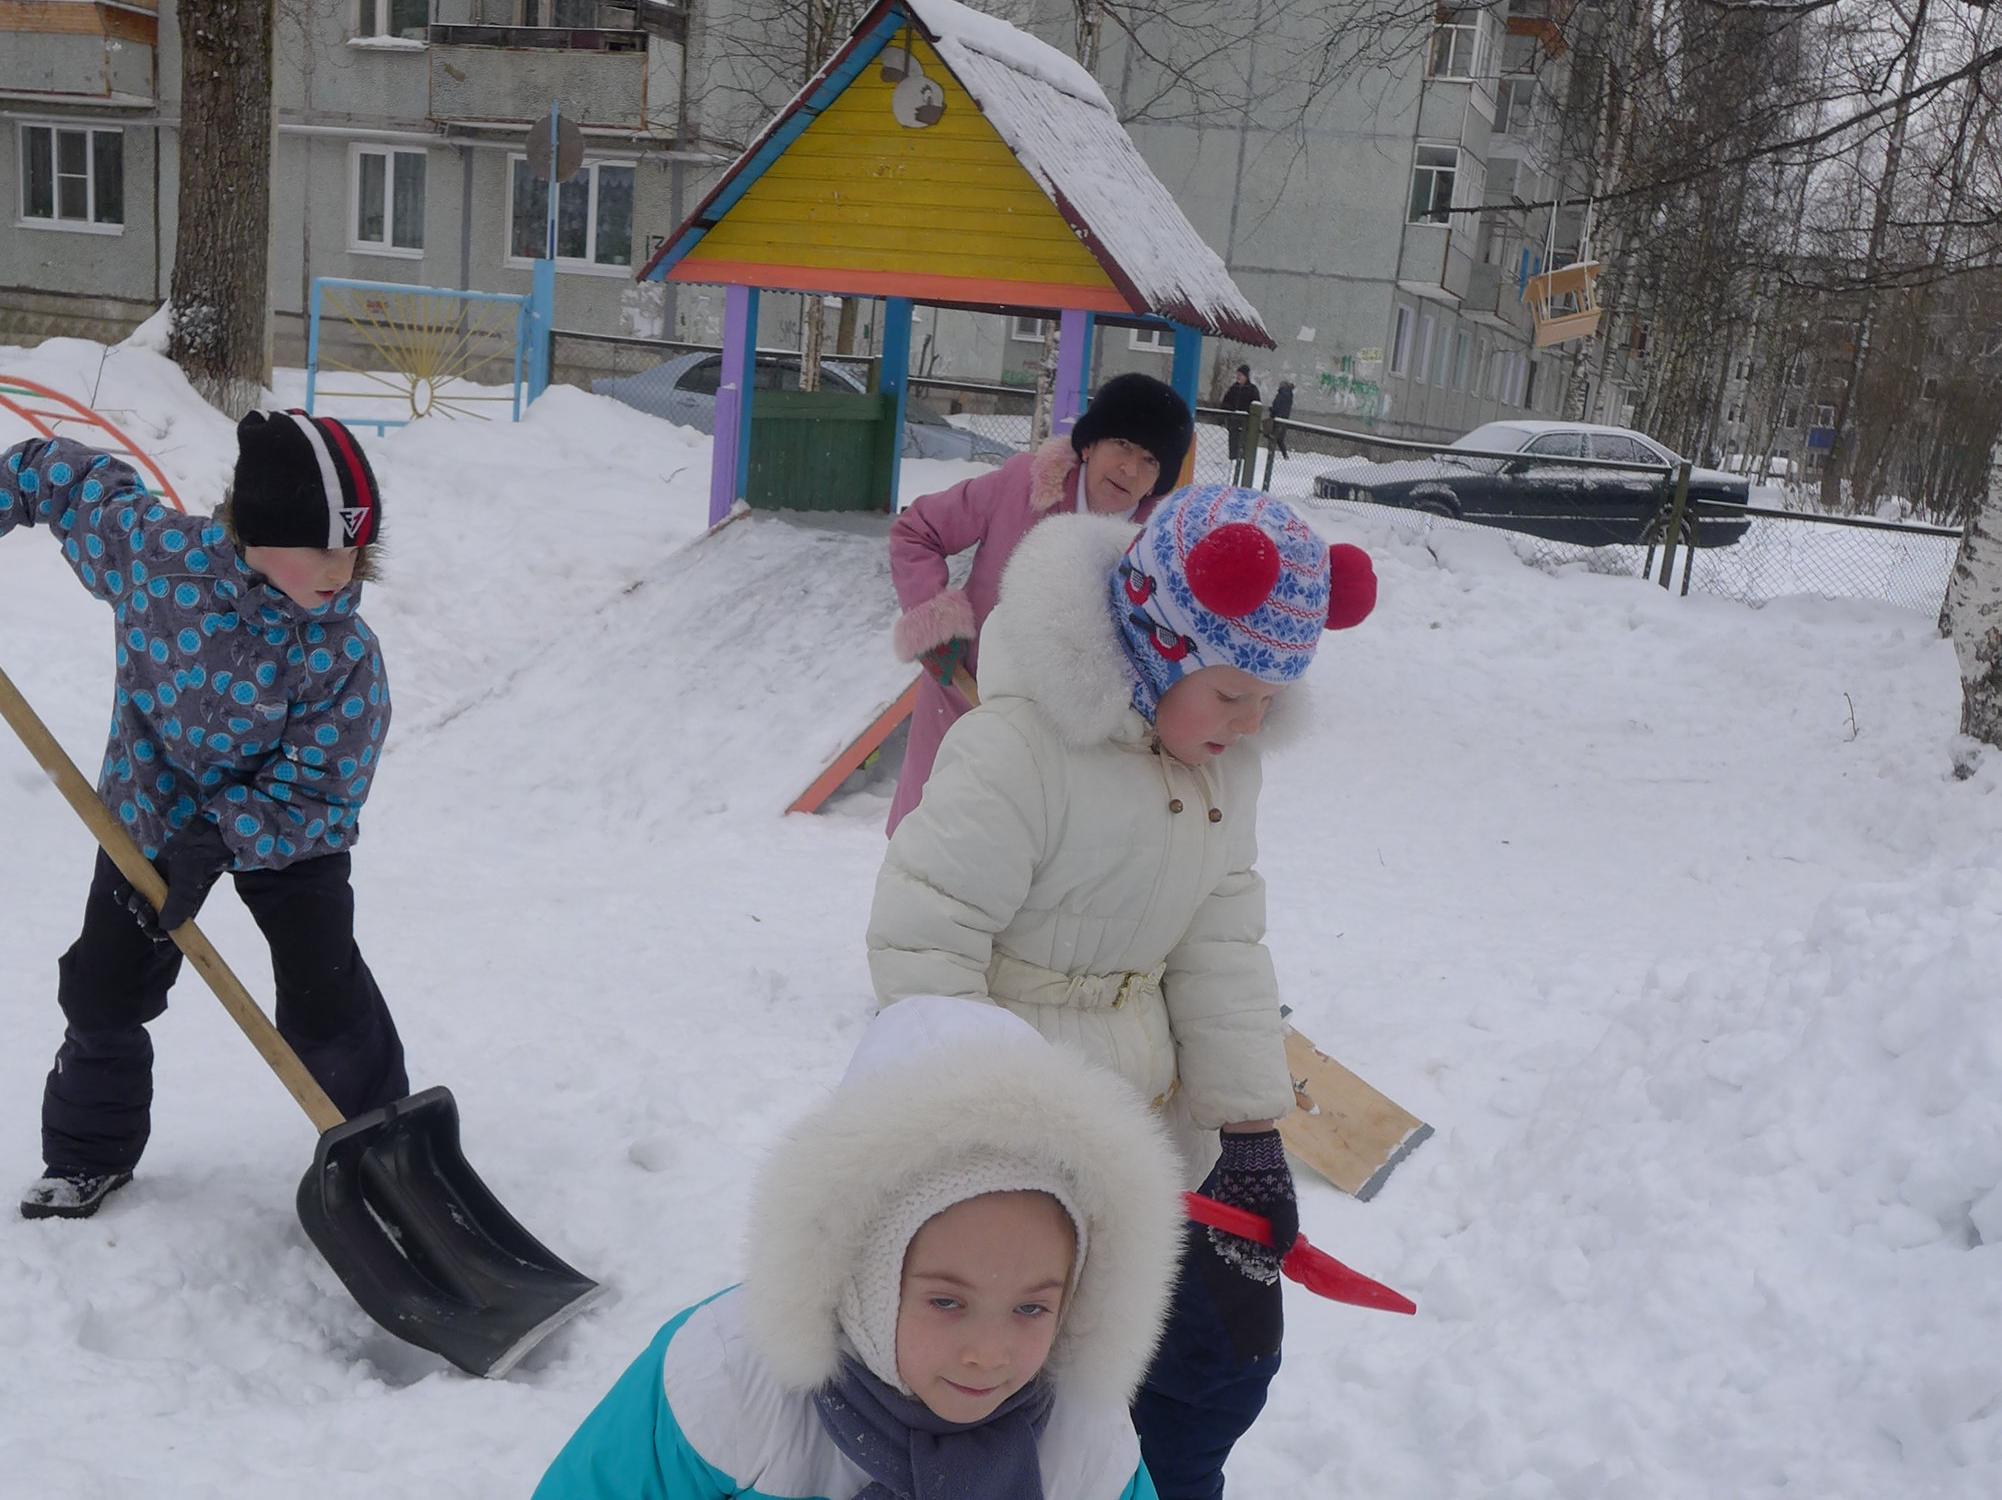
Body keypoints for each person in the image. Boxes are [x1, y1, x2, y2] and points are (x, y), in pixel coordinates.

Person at [867, 485, 1378, 1498]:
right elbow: (922, 943)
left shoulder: (1223, 773)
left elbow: (1221, 943)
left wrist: (1247, 1133)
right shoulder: (1019, 753)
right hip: (1020, 1151)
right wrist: (983, 1155)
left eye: (1270, 702)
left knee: (1215, 1372)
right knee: (1035, 1403)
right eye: (1230, 694)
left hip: (1161, 1149)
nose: (1249, 724)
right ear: (1157, 643)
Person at [533, 995, 1186, 1500]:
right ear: (863, 1274)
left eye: (1031, 1309)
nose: (989, 1354)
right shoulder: (728, 1375)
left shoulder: (1081, 1436)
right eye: (946, 1301)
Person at [2, 412, 409, 1221]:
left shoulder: (342, 655)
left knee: (325, 1000)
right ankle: (87, 1156)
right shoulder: (159, 561)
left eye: (357, 549)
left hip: (288, 839)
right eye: (323, 547)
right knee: (102, 989)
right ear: (258, 534)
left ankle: (384, 1153)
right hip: (148, 813)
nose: (345, 570)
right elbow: (66, 476)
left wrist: (227, 833)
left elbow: (323, 786)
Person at [884, 372, 1192, 836]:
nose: (1130, 468)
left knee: (1033, 872)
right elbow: (917, 530)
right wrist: (935, 621)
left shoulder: (1158, 545)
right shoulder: (1021, 486)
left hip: (1073, 743)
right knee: (932, 850)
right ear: (1089, 445)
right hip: (966, 704)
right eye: (1123, 445)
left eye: (1150, 460)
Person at [1218, 365, 1260, 463]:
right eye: (1237, 375)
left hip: (1246, 422)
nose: (1238, 377)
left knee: (1244, 441)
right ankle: (1233, 459)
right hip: (1233, 420)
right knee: (1233, 440)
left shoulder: (1252, 389)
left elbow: (1256, 406)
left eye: (1240, 375)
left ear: (1246, 376)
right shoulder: (1234, 388)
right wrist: (1229, 410)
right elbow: (1225, 401)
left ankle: (1242, 460)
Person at [1268, 379, 1295, 460]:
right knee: (1280, 439)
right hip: (1284, 419)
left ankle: (1271, 454)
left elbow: (1277, 405)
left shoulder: (1281, 394)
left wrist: (1272, 411)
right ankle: (1284, 455)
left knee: (1273, 436)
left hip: (1277, 418)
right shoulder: (1289, 395)